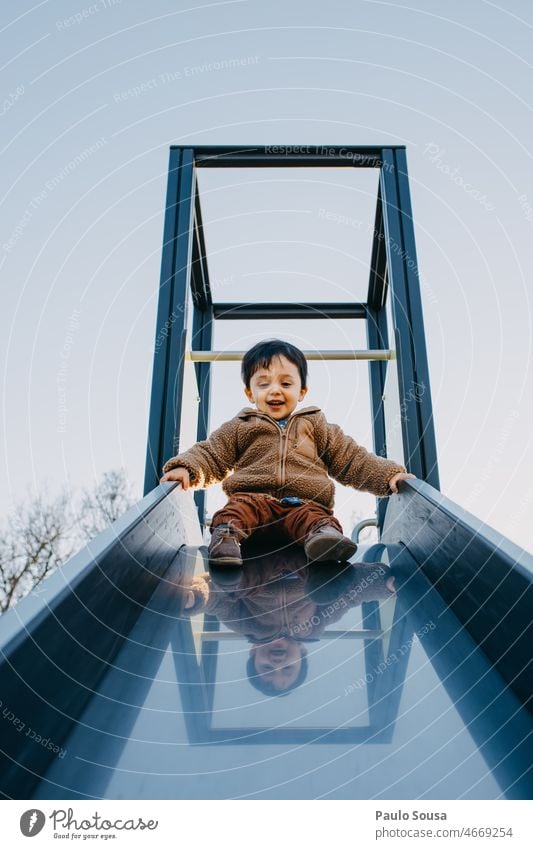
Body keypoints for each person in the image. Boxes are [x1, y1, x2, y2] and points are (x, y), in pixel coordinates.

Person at [160, 339, 415, 567]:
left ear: (301, 391)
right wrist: (187, 468)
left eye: (286, 383)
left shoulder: (316, 426)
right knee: (235, 511)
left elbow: (351, 458)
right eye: (263, 383)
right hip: (253, 499)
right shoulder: (241, 426)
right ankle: (226, 539)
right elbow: (212, 453)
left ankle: (323, 539)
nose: (275, 390)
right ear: (250, 393)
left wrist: (387, 476)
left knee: (315, 518)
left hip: (302, 503)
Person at [182, 548, 397, 696]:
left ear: (253, 652)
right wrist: (384, 583)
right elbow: (349, 593)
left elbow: (218, 598)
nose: (277, 664)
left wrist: (195, 597)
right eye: (288, 669)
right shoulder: (315, 624)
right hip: (304, 554)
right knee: (329, 582)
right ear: (302, 653)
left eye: (266, 669)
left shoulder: (246, 625)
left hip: (257, 555)